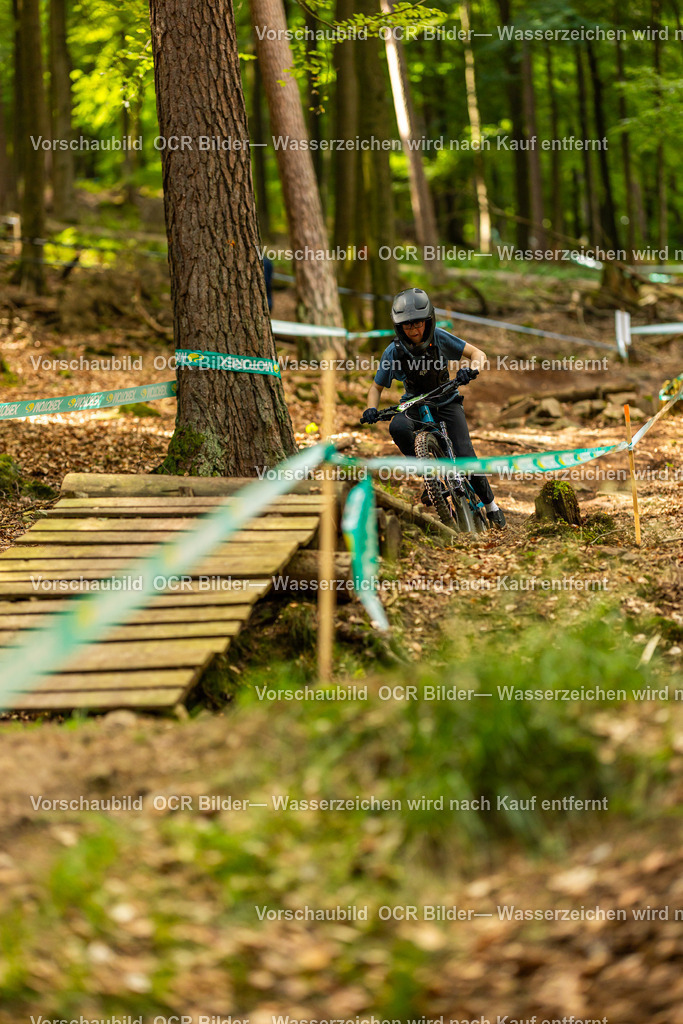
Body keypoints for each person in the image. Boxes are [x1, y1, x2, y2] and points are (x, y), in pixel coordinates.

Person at [360, 287, 506, 529]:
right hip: (415, 404)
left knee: (465, 455)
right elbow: (375, 388)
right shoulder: (394, 351)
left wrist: (471, 370)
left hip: (447, 401)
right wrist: (370, 409)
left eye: (419, 324)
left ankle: (491, 505)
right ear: (399, 327)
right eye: (407, 326)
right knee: (397, 427)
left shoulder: (439, 337)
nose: (414, 330)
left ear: (428, 321)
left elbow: (477, 353)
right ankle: (431, 481)